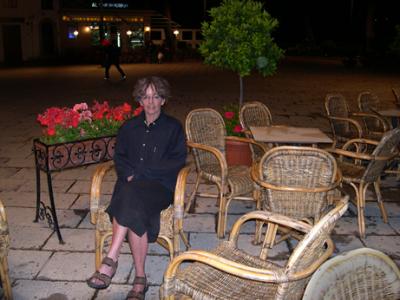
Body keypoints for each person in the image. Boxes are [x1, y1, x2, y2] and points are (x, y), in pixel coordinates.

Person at [87, 76, 187, 299]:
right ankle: (140, 279)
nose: (151, 102)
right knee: (133, 203)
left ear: (163, 100)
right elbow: (120, 157)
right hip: (130, 185)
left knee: (129, 195)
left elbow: (176, 162)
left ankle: (111, 258)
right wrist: (129, 174)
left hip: (159, 188)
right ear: (139, 100)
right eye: (146, 97)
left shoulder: (174, 128)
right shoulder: (129, 127)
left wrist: (141, 174)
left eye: (156, 96)